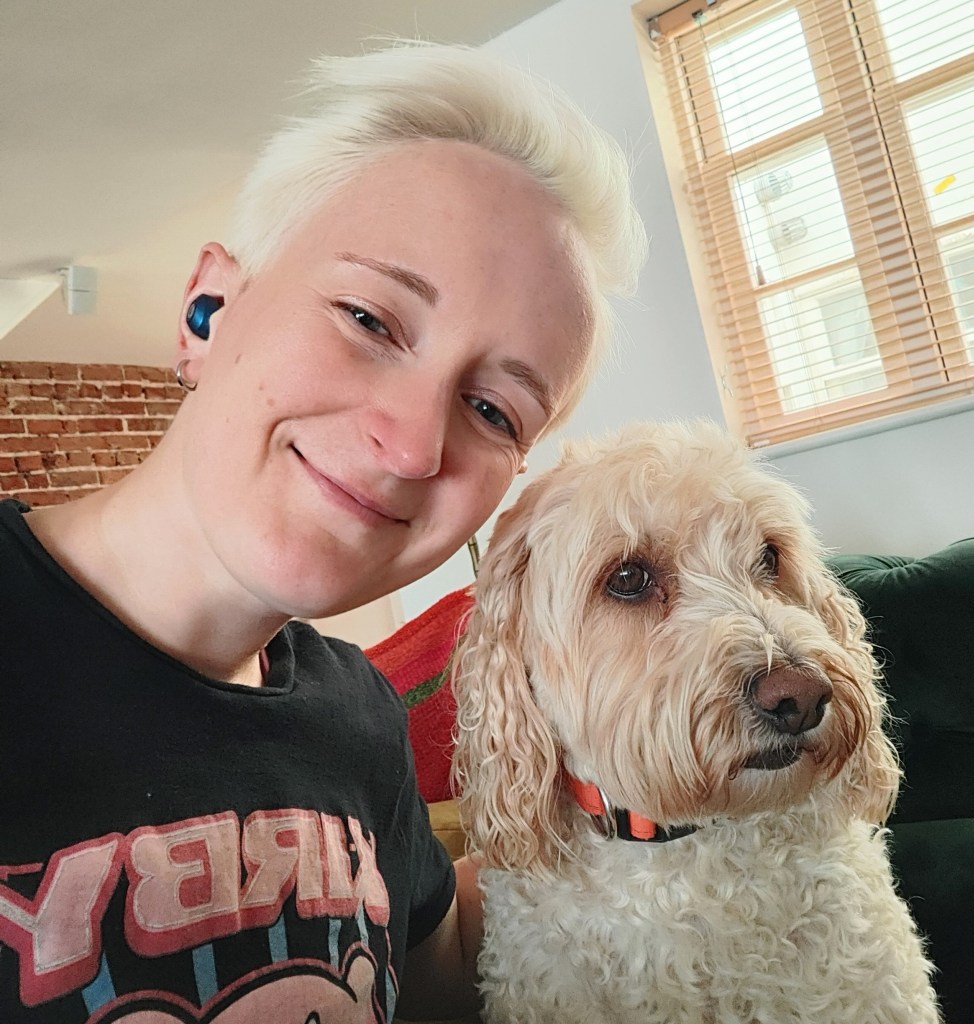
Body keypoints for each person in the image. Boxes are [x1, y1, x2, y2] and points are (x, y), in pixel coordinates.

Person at [0, 41, 646, 1023]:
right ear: (206, 308)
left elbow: (435, 976)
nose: (411, 443)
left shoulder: (361, 713)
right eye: (369, 317)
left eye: (492, 411)